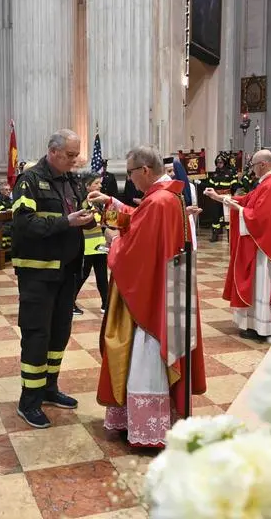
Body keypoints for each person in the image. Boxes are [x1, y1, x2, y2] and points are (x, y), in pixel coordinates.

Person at [88, 146, 207, 447]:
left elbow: (136, 251)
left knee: (146, 354)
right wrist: (111, 203)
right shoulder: (168, 196)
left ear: (144, 170)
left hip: (152, 295)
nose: (130, 180)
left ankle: (149, 427)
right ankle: (161, 418)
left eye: (129, 173)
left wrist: (114, 241)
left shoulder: (158, 201)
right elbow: (138, 221)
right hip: (169, 286)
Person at [11, 129, 94, 428]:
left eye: (76, 155)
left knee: (59, 334)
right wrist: (65, 222)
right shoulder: (29, 181)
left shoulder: (72, 181)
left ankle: (49, 388)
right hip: (38, 273)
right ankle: (28, 402)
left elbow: (82, 212)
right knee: (37, 335)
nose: (74, 160)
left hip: (67, 270)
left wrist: (92, 216)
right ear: (53, 151)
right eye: (70, 155)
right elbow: (23, 224)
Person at [206, 149, 271, 341]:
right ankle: (255, 324)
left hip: (264, 247)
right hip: (261, 244)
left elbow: (258, 217)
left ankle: (262, 327)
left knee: (262, 284)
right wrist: (219, 197)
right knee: (257, 284)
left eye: (253, 166)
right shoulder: (268, 183)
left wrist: (239, 209)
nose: (252, 171)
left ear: (263, 164)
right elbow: (247, 201)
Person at [75, 172, 108, 313]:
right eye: (96, 183)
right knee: (82, 275)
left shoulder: (99, 202)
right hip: (87, 245)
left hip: (100, 244)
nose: (100, 185)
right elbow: (85, 223)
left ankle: (106, 304)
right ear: (87, 186)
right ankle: (69, 302)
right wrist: (100, 222)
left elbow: (105, 218)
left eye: (100, 183)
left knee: (102, 275)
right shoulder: (82, 203)